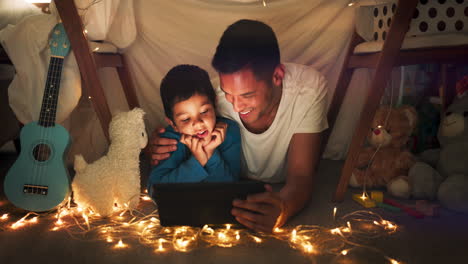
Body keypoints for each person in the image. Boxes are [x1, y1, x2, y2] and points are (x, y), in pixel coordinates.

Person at [150, 20, 328, 232]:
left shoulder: (307, 89)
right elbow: (160, 180)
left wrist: (283, 209)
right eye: (228, 94)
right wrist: (150, 144)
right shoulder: (211, 99)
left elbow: (301, 175)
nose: (235, 106)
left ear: (277, 76)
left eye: (247, 95)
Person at [147, 65, 241, 195]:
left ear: (215, 103)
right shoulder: (170, 142)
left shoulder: (229, 132)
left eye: (204, 111)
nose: (198, 123)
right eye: (185, 119)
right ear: (173, 123)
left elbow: (232, 187)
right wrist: (198, 160)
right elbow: (156, 192)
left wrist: (210, 153)